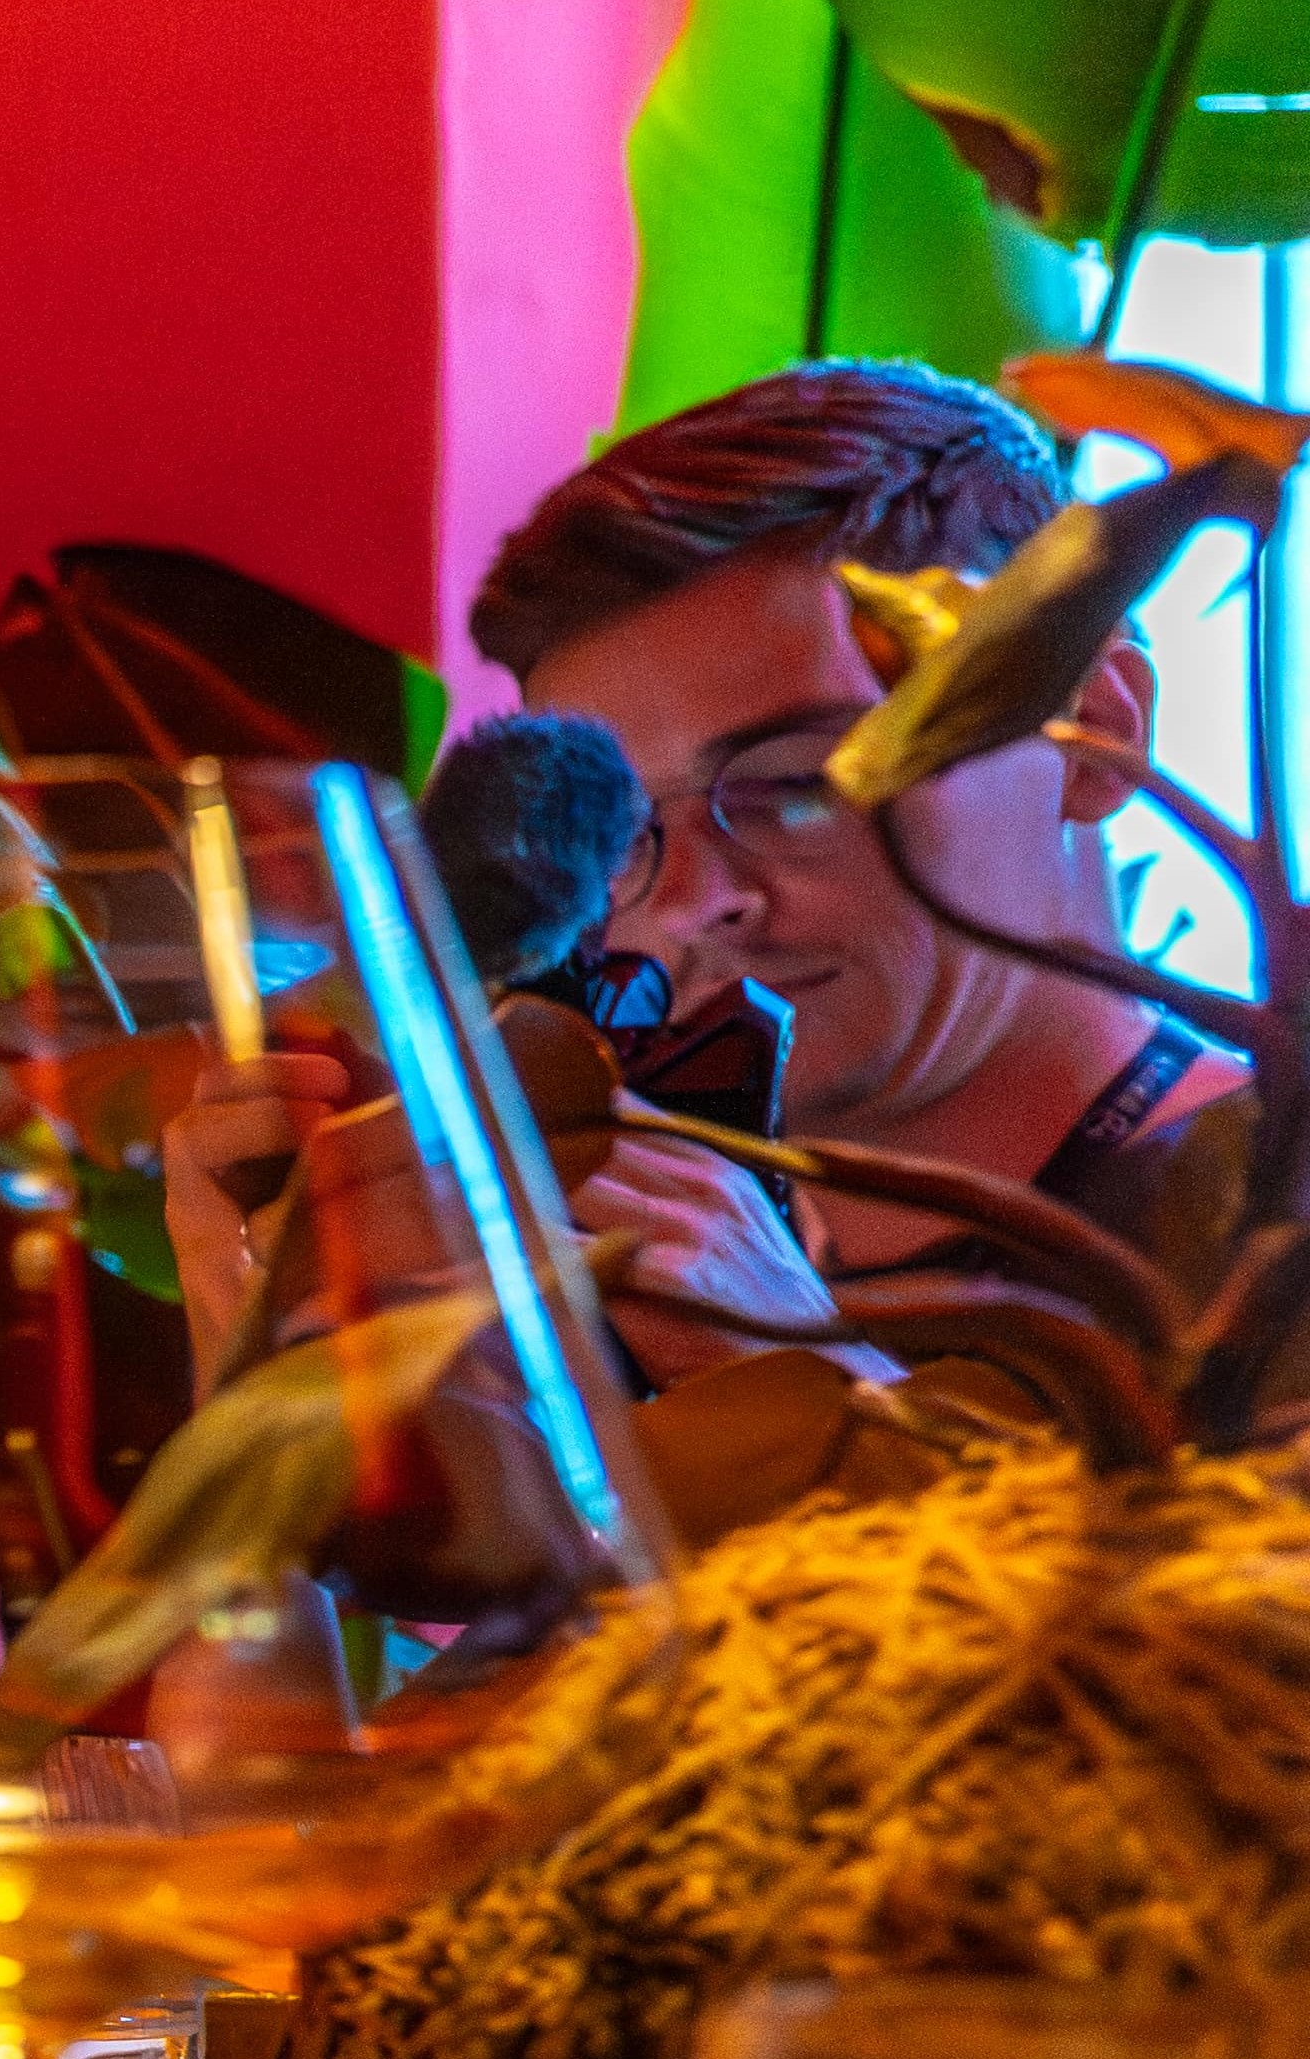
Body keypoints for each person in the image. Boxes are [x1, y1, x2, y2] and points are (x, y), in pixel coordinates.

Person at [475, 361, 1249, 1371]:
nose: (689, 904)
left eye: (802, 785)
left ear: (1092, 727)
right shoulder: (638, 1289)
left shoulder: (1270, 1235)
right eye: (620, 835)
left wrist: (803, 1388)